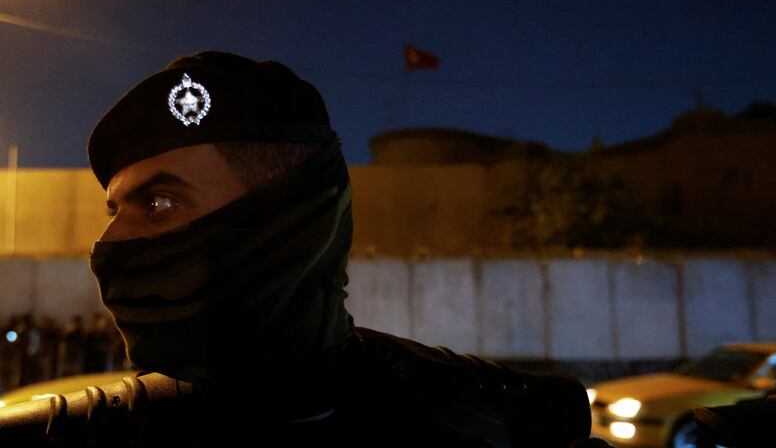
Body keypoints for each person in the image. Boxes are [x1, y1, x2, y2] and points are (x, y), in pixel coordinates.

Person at [0, 51, 609, 447]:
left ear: (291, 221)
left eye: (158, 204)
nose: (108, 243)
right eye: (116, 209)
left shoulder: (487, 420)